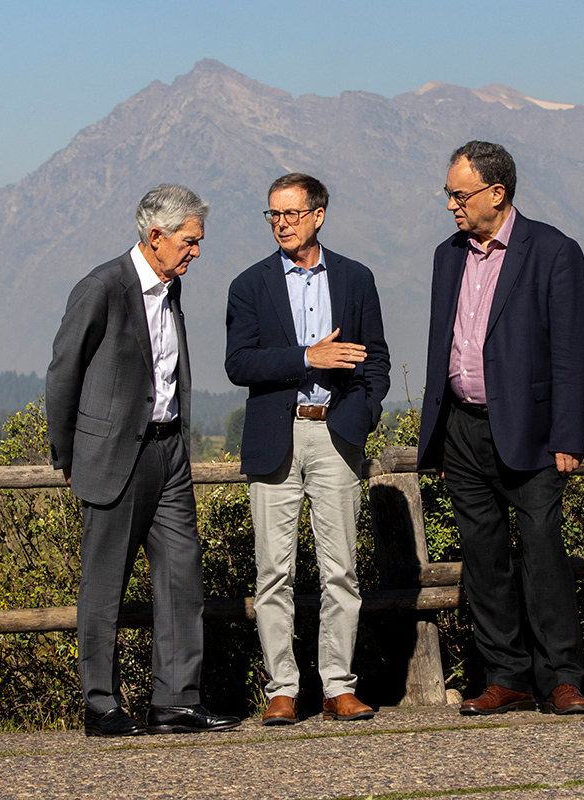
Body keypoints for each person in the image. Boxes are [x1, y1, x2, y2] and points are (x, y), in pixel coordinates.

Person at [46, 185, 241, 737]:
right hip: (113, 457)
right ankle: (101, 705)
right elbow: (64, 372)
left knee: (182, 577)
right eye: (190, 241)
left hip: (170, 452)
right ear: (156, 236)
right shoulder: (101, 286)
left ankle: (176, 702)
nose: (196, 252)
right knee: (104, 585)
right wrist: (67, 453)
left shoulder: (170, 287)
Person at [416, 141, 584, 716]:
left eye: (459, 193)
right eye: (448, 193)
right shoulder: (449, 255)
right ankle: (507, 676)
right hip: (463, 432)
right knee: (483, 558)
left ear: (496, 194)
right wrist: (440, 429)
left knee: (543, 552)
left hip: (535, 432)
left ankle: (561, 678)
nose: (451, 204)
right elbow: (441, 347)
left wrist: (568, 435)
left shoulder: (553, 251)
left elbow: (573, 352)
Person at [225, 173, 390, 725]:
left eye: (291, 214)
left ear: (319, 214)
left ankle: (339, 687)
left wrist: (361, 417)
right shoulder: (249, 285)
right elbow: (239, 364)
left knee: (340, 569)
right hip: (276, 435)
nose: (281, 224)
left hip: (336, 434)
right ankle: (282, 690)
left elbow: (377, 360)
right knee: (274, 572)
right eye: (272, 215)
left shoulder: (356, 278)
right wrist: (306, 358)